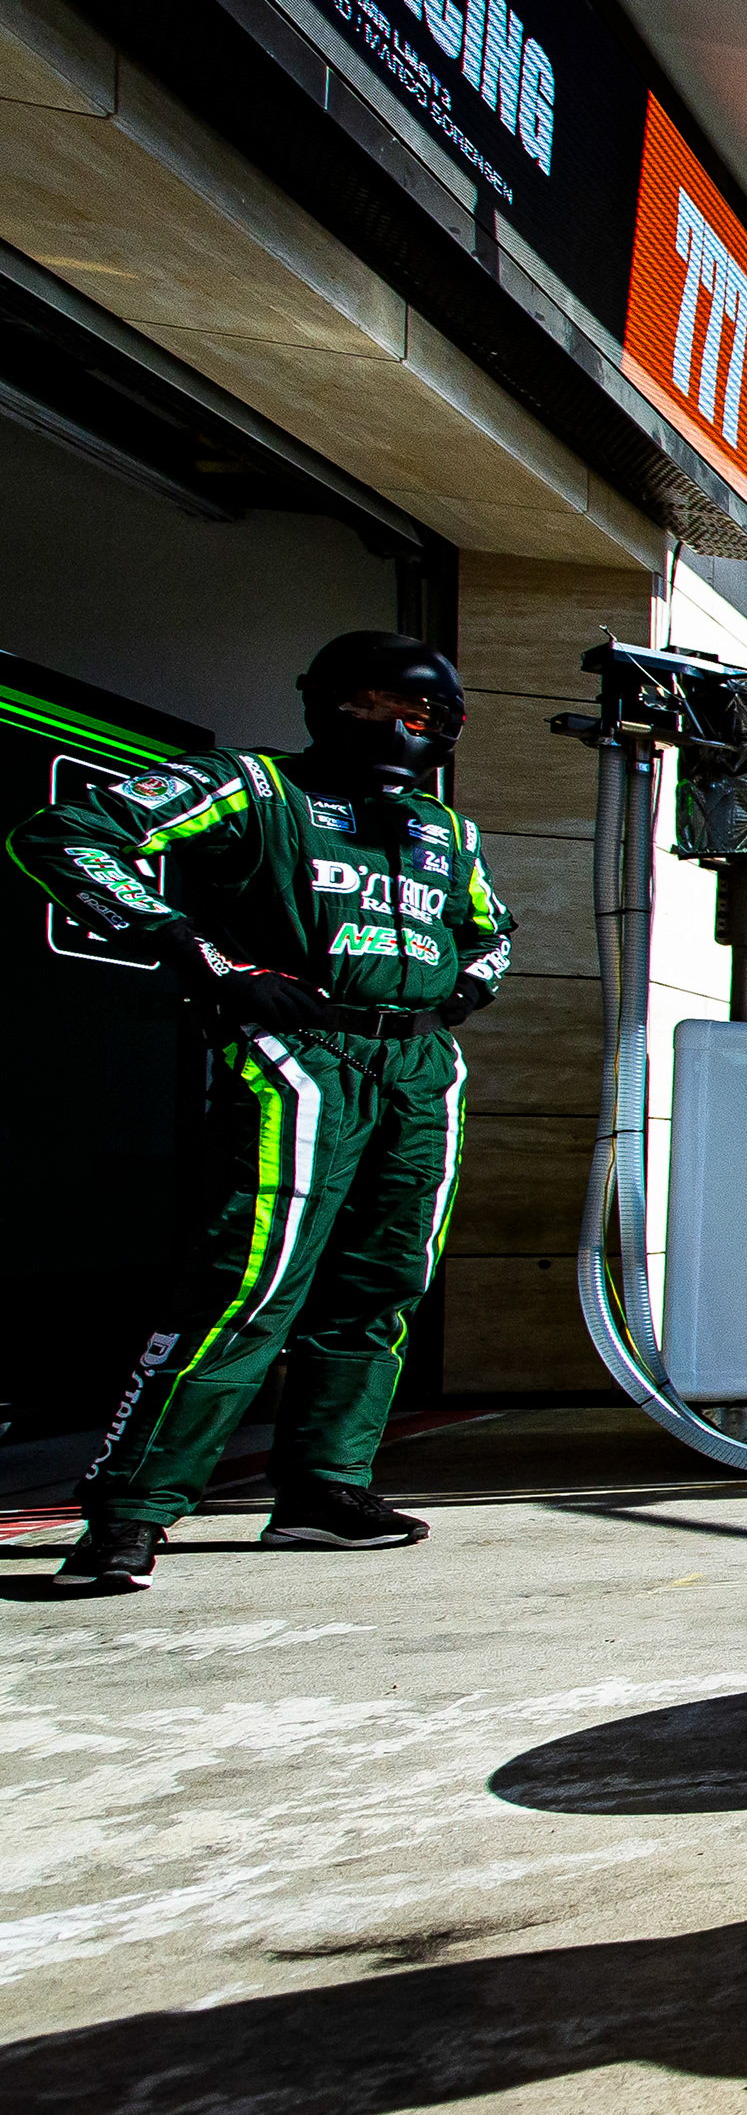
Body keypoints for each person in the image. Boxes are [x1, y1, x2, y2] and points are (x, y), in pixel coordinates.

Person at [10, 632, 512, 1592]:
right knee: (247, 1288)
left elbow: (490, 937)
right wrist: (204, 959)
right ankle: (129, 1515)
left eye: (432, 718)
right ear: (333, 703)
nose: (412, 730)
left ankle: (324, 1492)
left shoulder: (447, 829)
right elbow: (65, 835)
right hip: (295, 1060)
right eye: (391, 708)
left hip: (418, 1068)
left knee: (381, 1289)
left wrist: (453, 1001)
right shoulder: (249, 786)